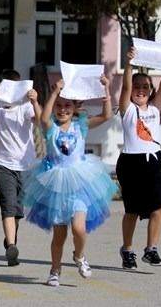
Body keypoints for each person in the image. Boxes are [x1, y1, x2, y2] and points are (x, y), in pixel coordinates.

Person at [22, 77, 118, 287]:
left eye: (67, 105)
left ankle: (79, 255)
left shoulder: (80, 126)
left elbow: (106, 115)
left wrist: (106, 90)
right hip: (56, 186)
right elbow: (44, 118)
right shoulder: (50, 128)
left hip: (80, 184)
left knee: (79, 229)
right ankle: (55, 270)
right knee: (58, 236)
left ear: (75, 107)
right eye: (59, 105)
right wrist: (55, 92)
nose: (62, 109)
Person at [116, 47, 161, 270]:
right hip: (131, 163)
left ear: (151, 90)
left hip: (153, 161)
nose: (141, 90)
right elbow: (124, 87)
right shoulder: (128, 110)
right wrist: (129, 64)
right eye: (137, 86)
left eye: (145, 87)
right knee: (132, 210)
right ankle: (127, 249)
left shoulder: (154, 108)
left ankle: (151, 249)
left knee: (159, 205)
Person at [0, 69, 42, 266]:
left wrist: (34, 101)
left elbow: (41, 120)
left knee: (17, 210)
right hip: (3, 164)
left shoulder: (25, 107)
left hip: (25, 166)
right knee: (7, 203)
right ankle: (11, 246)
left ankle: (10, 239)